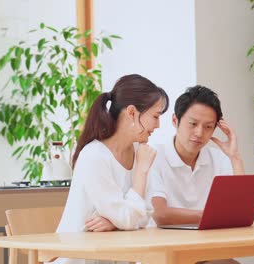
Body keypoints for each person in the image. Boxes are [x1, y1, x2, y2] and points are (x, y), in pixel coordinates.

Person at [55, 74, 169, 264]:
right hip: (79, 258)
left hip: (115, 258)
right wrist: (141, 172)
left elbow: (146, 216)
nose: (158, 125)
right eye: (155, 116)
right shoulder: (94, 156)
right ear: (132, 112)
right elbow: (130, 218)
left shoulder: (138, 152)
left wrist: (114, 223)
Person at [147, 85, 243, 264]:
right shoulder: (152, 156)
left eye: (208, 127)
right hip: (165, 256)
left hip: (207, 252)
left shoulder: (219, 159)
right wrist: (210, 215)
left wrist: (235, 157)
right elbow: (159, 213)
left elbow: (238, 214)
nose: (199, 133)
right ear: (175, 121)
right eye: (193, 124)